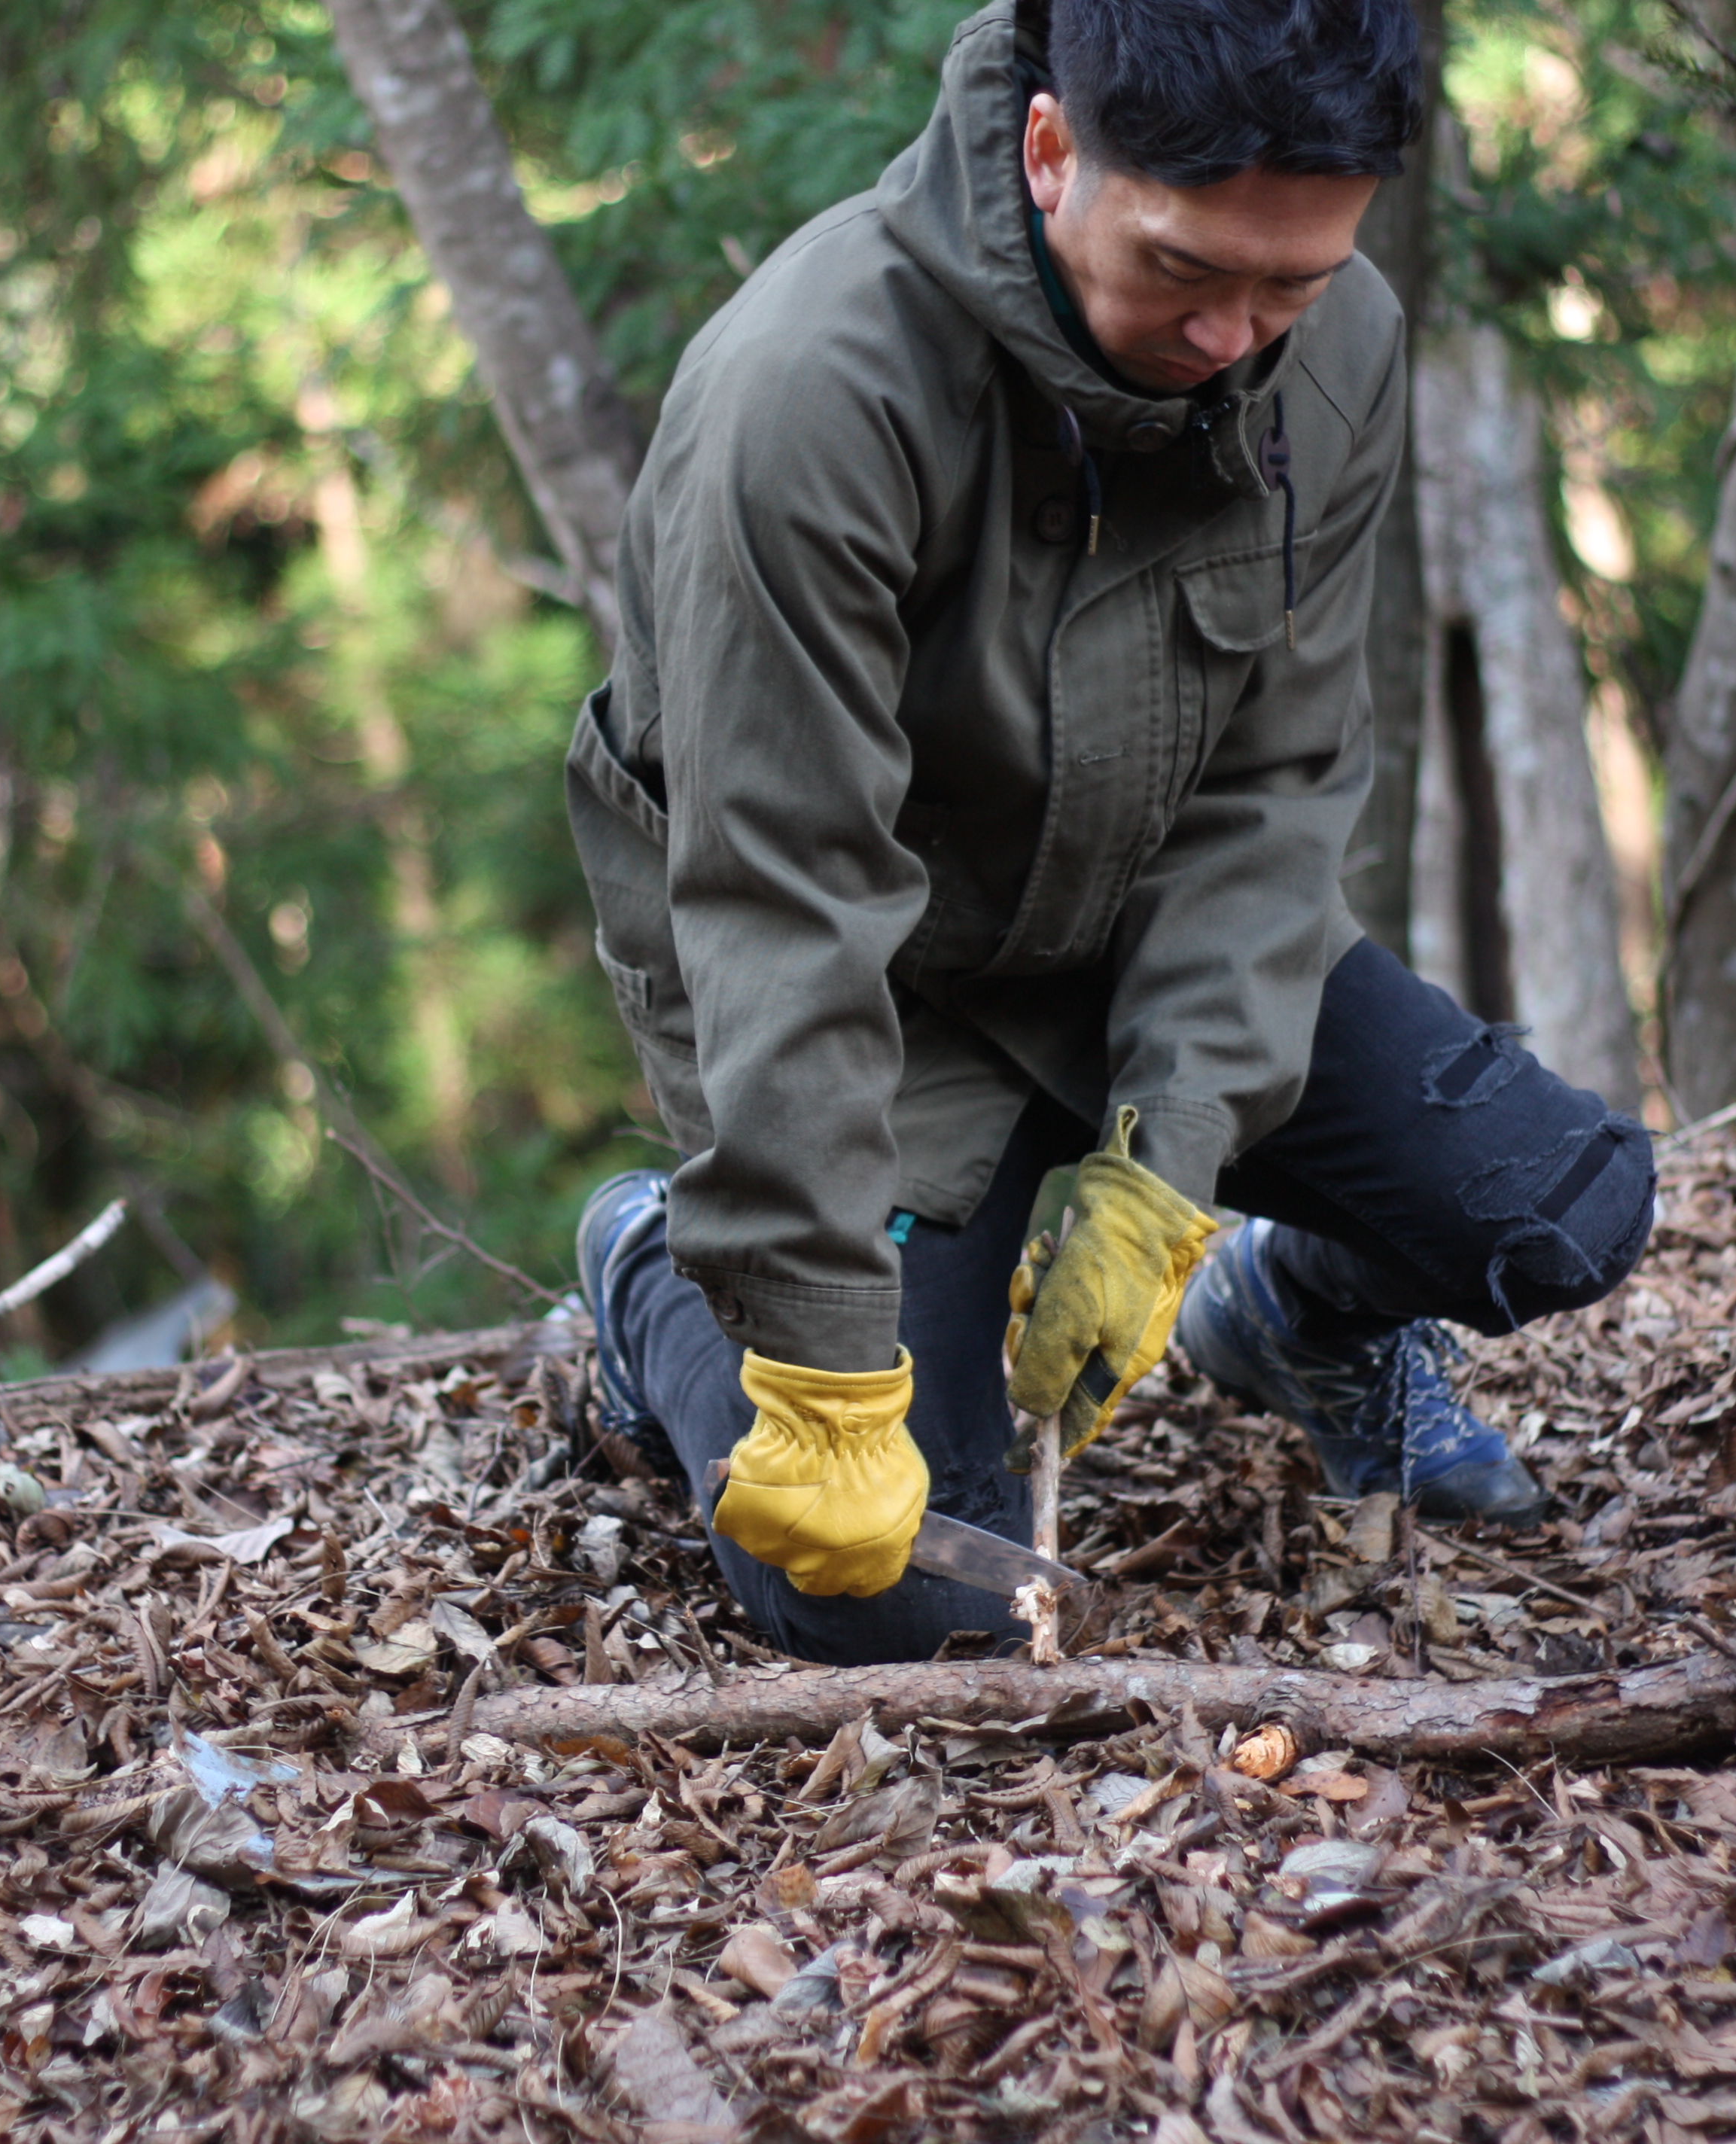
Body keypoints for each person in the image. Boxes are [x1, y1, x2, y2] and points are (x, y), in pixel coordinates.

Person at [565, 0, 1655, 1667]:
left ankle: (1284, 1316)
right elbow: (783, 905)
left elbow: (1273, 790)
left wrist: (1172, 1156)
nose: (1238, 335)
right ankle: (661, 1276)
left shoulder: (1338, 348)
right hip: (881, 984)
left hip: (1120, 904)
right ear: (1050, 144)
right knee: (892, 1584)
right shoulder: (811, 394)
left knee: (1558, 1204)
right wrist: (826, 1354)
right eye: (1185, 272)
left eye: (1288, 282)